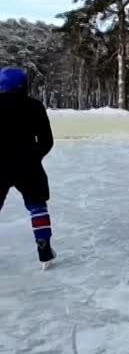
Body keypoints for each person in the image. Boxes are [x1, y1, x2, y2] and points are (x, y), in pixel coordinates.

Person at [0, 67, 56, 269]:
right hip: (28, 166)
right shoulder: (34, 106)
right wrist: (33, 157)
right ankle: (44, 250)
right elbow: (47, 141)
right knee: (37, 206)